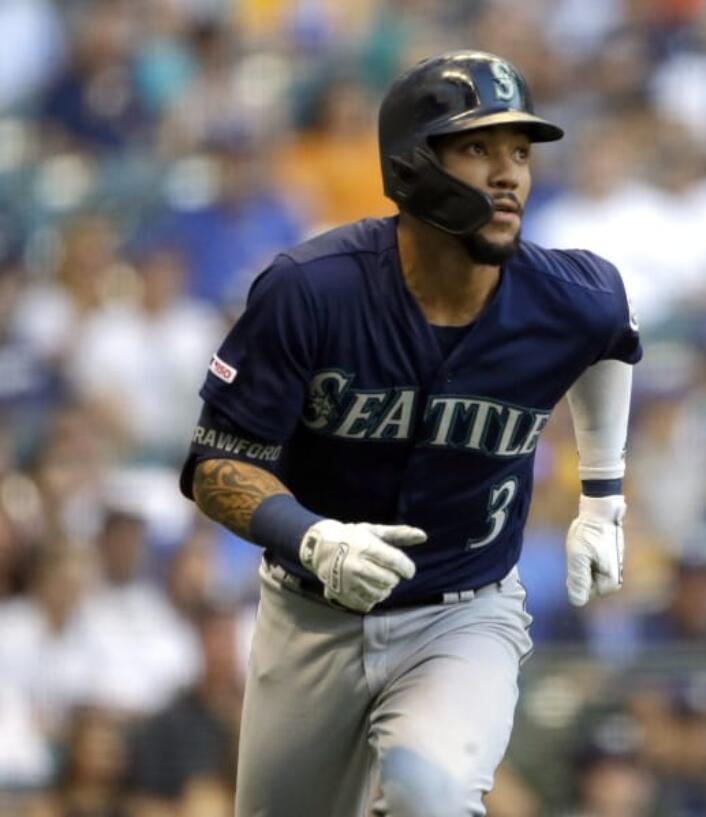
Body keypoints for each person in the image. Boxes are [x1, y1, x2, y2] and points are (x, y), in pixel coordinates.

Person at [177, 51, 641, 817]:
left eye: (520, 152)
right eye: (476, 148)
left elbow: (614, 338)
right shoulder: (312, 289)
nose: (509, 174)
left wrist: (602, 496)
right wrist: (313, 535)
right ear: (412, 165)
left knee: (432, 793)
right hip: (310, 614)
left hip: (465, 611)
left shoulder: (569, 295)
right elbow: (213, 461)